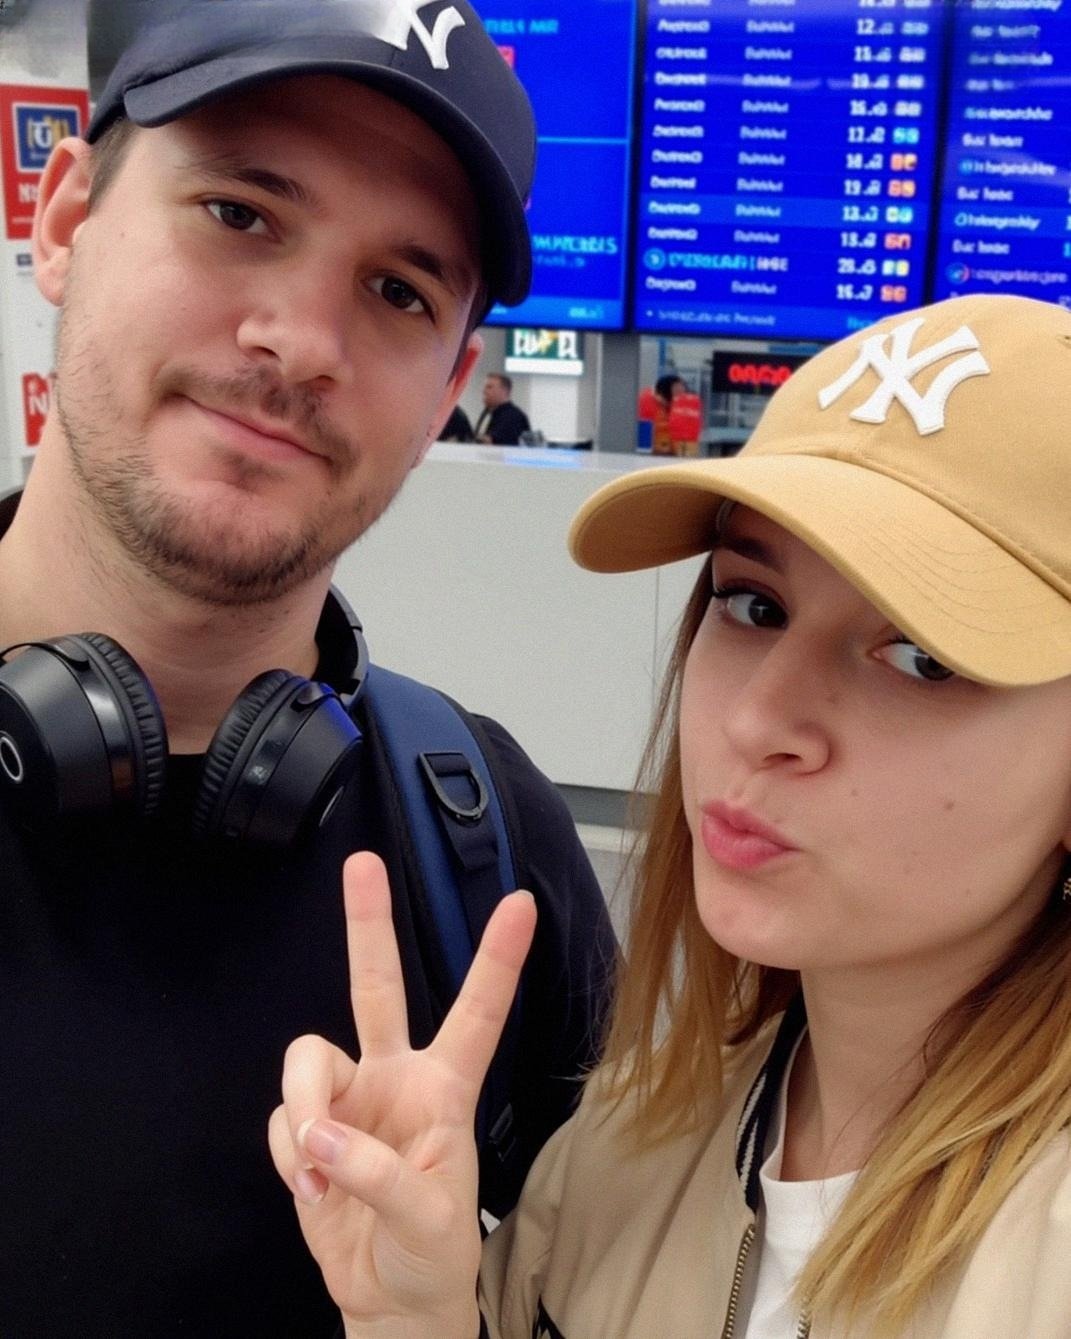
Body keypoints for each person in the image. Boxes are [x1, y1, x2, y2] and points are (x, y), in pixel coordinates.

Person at [273, 292, 1071, 1338]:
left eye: (922, 656)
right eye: (753, 604)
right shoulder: (626, 1141)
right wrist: (415, 1319)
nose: (759, 717)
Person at [0, 3, 616, 1336]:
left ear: (449, 386)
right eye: (240, 213)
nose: (304, 343)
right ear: (65, 218)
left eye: (398, 291)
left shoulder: (489, 860)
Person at [473, 372, 531, 445]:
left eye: (489, 387)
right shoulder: (487, 413)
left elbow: (494, 441)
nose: (484, 391)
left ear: (504, 391)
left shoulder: (514, 416)